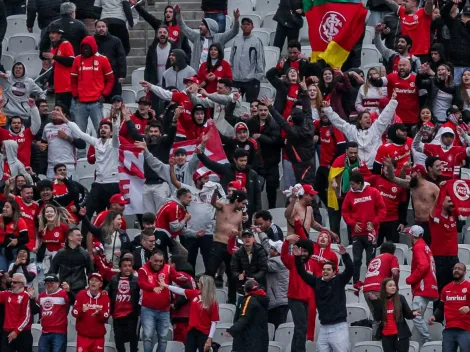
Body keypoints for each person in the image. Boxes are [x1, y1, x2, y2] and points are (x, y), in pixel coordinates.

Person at [56, 107, 121, 221]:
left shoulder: (114, 144)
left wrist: (115, 121)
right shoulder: (96, 142)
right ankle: (85, 237)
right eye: (101, 127)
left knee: (112, 215)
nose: (102, 129)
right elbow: (80, 134)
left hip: (112, 184)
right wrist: (66, 120)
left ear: (110, 132)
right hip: (98, 184)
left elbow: (116, 135)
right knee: (88, 211)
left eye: (106, 127)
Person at [294, 244, 353, 352]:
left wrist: (345, 255)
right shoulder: (317, 282)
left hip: (339, 327)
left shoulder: (339, 280)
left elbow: (350, 269)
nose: (325, 271)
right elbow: (302, 273)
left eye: (328, 269)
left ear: (334, 272)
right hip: (324, 327)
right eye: (324, 269)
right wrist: (297, 258)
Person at [169, 156, 223, 270]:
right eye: (205, 179)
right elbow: (174, 181)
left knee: (209, 262)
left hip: (208, 233)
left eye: (208, 178)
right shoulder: (189, 190)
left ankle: (209, 284)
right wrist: (172, 167)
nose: (208, 181)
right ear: (197, 180)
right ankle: (191, 285)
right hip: (192, 233)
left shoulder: (213, 190)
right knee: (190, 262)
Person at [325, 92, 398, 169]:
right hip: (357, 168)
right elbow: (338, 121)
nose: (369, 119)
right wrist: (327, 109)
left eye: (369, 117)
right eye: (365, 117)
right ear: (360, 120)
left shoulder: (376, 129)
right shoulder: (352, 130)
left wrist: (392, 101)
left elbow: (384, 117)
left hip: (374, 167)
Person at [342, 172, 387, 284]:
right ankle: (356, 282)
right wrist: (352, 223)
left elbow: (382, 210)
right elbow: (345, 212)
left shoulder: (373, 192)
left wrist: (374, 223)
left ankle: (371, 282)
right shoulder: (349, 195)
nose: (351, 187)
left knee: (370, 260)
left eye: (353, 184)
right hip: (356, 233)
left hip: (370, 233)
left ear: (360, 183)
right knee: (356, 260)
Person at [383, 158, 439, 245]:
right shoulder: (412, 185)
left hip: (430, 223)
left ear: (418, 174)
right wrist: (390, 167)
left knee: (429, 249)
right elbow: (393, 178)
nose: (410, 175)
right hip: (417, 222)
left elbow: (441, 203)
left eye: (412, 173)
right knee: (416, 248)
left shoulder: (432, 187)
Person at [205, 190, 247, 303]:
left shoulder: (240, 213)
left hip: (231, 245)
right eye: (243, 203)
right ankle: (204, 297)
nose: (244, 206)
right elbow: (213, 202)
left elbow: (240, 230)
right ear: (237, 201)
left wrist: (239, 235)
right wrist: (214, 192)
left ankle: (231, 301)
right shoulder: (223, 206)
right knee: (210, 271)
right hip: (218, 242)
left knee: (232, 274)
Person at [197, 148, 261, 221]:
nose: (244, 163)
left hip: (246, 209)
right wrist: (200, 154)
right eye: (241, 160)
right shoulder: (226, 169)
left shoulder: (252, 174)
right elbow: (211, 164)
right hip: (227, 207)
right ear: (234, 159)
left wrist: (258, 211)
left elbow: (257, 193)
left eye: (245, 160)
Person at [138, 250, 184, 352]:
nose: (158, 263)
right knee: (147, 336)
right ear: (150, 259)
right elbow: (142, 283)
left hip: (164, 309)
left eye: (161, 261)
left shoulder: (168, 268)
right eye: (156, 261)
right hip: (148, 309)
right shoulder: (143, 269)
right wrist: (152, 288)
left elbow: (175, 276)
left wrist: (181, 278)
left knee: (163, 338)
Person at [159, 275, 219, 352]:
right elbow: (180, 290)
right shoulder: (195, 294)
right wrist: (166, 286)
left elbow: (214, 321)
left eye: (200, 283)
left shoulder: (212, 302)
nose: (198, 284)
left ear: (205, 285)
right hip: (191, 331)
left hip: (204, 333)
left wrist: (210, 338)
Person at [174, 4, 240, 71]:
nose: (199, 27)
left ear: (209, 26)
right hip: (197, 74)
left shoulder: (220, 38)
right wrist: (178, 14)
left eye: (202, 25)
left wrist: (236, 20)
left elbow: (234, 32)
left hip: (213, 75)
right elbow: (183, 27)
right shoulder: (196, 37)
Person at [70, 36, 115, 134]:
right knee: (79, 133)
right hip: (80, 102)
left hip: (96, 102)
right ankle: (81, 150)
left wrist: (104, 94)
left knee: (101, 131)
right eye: (83, 48)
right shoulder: (77, 60)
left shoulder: (103, 59)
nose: (85, 50)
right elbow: (73, 81)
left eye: (87, 47)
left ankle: (102, 149)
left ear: (93, 47)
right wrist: (75, 96)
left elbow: (111, 79)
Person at [404, 225, 438, 345]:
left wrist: (410, 279)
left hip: (423, 287)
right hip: (430, 286)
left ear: (412, 235)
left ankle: (427, 341)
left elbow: (423, 266)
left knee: (416, 316)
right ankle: (424, 344)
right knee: (419, 317)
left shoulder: (418, 247)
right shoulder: (425, 246)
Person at [368, 278, 419, 352]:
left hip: (401, 335)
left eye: (394, 285)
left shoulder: (400, 298)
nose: (393, 287)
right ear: (384, 288)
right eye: (390, 285)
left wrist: (413, 313)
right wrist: (375, 302)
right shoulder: (380, 301)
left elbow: (408, 314)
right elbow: (377, 318)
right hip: (386, 336)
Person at [362, 242, 400, 337]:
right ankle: (384, 342)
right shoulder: (392, 257)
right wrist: (395, 285)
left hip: (366, 289)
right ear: (393, 251)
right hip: (379, 289)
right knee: (386, 317)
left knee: (376, 318)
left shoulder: (374, 259)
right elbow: (395, 273)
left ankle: (375, 343)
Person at [429, 263, 470, 352]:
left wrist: (469, 308)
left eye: (459, 269)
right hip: (449, 329)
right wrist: (434, 316)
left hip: (465, 329)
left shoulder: (469, 286)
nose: (456, 270)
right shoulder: (446, 288)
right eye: (455, 268)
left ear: (465, 272)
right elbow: (441, 307)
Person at [40, 104, 86, 179]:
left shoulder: (71, 125)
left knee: (68, 189)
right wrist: (40, 145)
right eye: (54, 109)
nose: (54, 111)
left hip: (67, 164)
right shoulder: (47, 126)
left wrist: (67, 137)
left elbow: (82, 145)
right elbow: (44, 143)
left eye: (58, 110)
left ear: (64, 114)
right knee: (53, 189)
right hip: (52, 166)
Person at [106, 257, 140, 352]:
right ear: (120, 268)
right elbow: (107, 291)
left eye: (130, 266)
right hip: (117, 314)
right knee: (118, 339)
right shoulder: (114, 279)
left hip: (131, 314)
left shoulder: (137, 280)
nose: (128, 268)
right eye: (125, 266)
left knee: (133, 337)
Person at [430, 195, 460, 297]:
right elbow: (433, 209)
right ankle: (437, 313)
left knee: (455, 287)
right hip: (439, 257)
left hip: (453, 257)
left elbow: (463, 204)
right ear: (442, 203)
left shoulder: (454, 215)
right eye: (449, 201)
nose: (452, 203)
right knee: (439, 288)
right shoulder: (435, 217)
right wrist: (441, 192)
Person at [226, 279, 269, 352]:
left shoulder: (249, 300)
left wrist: (232, 330)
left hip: (250, 341)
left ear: (245, 289)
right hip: (261, 341)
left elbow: (244, 317)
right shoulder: (261, 299)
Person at [72, 273, 111, 352]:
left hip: (98, 337)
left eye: (96, 281)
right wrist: (81, 310)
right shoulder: (81, 294)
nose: (93, 282)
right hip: (83, 337)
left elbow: (107, 315)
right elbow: (74, 312)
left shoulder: (105, 297)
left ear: (101, 284)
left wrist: (99, 313)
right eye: (91, 280)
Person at [230, 17, 265, 103]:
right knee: (235, 105)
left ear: (252, 27)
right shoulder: (236, 40)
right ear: (241, 27)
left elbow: (260, 59)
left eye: (248, 24)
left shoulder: (256, 41)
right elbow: (231, 58)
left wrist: (258, 78)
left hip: (251, 80)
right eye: (244, 24)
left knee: (251, 105)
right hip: (236, 80)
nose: (245, 26)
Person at [50, 228, 93, 295]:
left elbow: (90, 272)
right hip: (63, 288)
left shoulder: (84, 253)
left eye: (81, 235)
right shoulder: (60, 253)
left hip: (80, 289)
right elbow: (52, 272)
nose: (81, 237)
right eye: (78, 235)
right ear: (70, 237)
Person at [41, 23, 75, 109]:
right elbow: (55, 67)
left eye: (53, 33)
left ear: (59, 34)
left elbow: (72, 61)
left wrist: (54, 57)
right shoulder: (53, 48)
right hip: (59, 87)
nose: (51, 35)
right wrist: (50, 81)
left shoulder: (65, 44)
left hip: (67, 86)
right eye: (50, 33)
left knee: (65, 113)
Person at [0, 98, 41, 167]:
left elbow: (37, 123)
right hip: (8, 169)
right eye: (14, 123)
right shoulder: (4, 134)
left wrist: (33, 107)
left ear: (21, 124)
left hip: (24, 168)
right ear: (10, 125)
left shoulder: (27, 134)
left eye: (18, 123)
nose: (16, 124)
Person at [36, 274, 71, 352]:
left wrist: (69, 292)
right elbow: (35, 309)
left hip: (59, 332)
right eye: (47, 283)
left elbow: (73, 300)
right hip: (45, 331)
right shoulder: (42, 295)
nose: (49, 285)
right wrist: (31, 299)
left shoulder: (63, 293)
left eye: (51, 283)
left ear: (57, 283)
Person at [94, 20, 127, 100]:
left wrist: (122, 74)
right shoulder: (92, 41)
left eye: (103, 26)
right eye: (98, 27)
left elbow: (121, 58)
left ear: (107, 28)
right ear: (95, 28)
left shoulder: (116, 41)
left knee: (115, 101)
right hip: (97, 78)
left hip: (113, 76)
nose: (101, 29)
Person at [0, 273, 33, 352]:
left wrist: (16, 331)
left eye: (15, 282)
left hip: (22, 332)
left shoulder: (26, 295)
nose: (12, 284)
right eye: (11, 281)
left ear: (21, 284)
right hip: (7, 331)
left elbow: (26, 317)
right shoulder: (7, 294)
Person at [440, 0, 470, 84]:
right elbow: (443, 13)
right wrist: (451, 2)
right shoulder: (454, 23)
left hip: (469, 64)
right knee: (456, 89)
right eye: (466, 15)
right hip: (455, 64)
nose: (467, 17)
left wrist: (468, 23)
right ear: (462, 15)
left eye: (469, 16)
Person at [231, 229, 268, 294]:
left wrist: (254, 277)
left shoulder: (260, 251)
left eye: (249, 237)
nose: (247, 239)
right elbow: (233, 270)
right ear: (242, 239)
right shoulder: (237, 253)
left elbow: (264, 268)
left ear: (253, 238)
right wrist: (239, 275)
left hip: (259, 285)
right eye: (245, 237)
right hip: (243, 286)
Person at [0, 200, 29, 271]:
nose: (4, 209)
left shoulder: (19, 221)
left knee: (12, 273)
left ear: (13, 210)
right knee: (2, 273)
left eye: (7, 207)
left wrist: (17, 240)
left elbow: (26, 238)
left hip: (14, 251)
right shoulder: (0, 219)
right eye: (4, 207)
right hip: (1, 251)